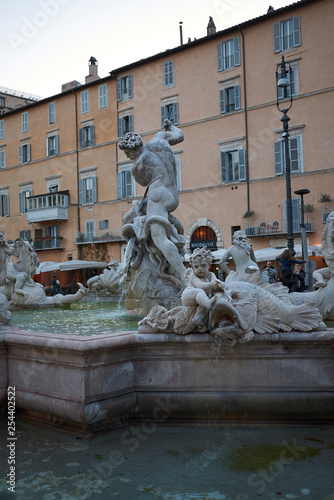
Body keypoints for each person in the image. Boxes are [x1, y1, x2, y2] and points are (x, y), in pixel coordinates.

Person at [119, 119, 186, 286]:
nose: (128, 157)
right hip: (170, 194)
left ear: (133, 149)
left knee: (159, 239)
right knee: (127, 219)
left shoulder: (137, 165)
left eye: (128, 153)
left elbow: (143, 182)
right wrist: (171, 126)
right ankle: (139, 258)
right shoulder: (159, 139)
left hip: (157, 195)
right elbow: (180, 135)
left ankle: (185, 277)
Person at [182, 247, 225, 331]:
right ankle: (209, 305)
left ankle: (198, 318)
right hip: (188, 296)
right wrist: (211, 285)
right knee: (200, 292)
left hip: (200, 299)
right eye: (196, 266)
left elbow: (215, 282)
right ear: (192, 267)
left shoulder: (211, 275)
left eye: (203, 265)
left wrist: (221, 284)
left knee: (203, 305)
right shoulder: (193, 275)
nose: (200, 269)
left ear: (209, 265)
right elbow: (199, 285)